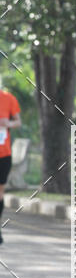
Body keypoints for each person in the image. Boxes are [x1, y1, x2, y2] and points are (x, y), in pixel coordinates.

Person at [0, 79, 21, 245]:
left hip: (3, 154)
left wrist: (8, 123)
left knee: (0, 192)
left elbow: (18, 122)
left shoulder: (8, 99)